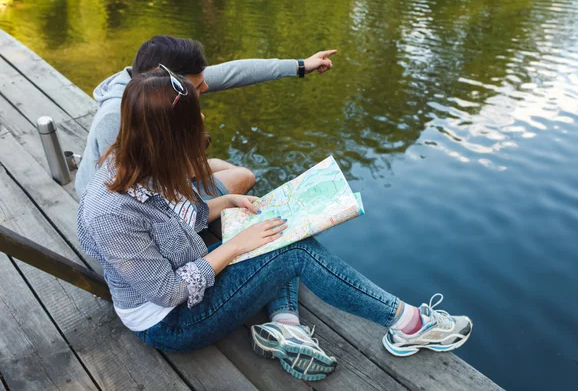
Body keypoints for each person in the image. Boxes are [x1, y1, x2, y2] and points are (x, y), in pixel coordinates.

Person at [77, 69, 473, 382]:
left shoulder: (143, 160)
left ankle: (286, 325)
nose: (202, 121)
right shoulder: (111, 211)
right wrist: (233, 247)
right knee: (295, 249)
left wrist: (229, 202)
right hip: (172, 323)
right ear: (169, 135)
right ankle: (409, 324)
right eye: (194, 120)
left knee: (283, 225)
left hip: (187, 278)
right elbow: (169, 292)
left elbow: (178, 220)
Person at [75, 35, 337, 199]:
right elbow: (122, 193)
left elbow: (233, 72)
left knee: (222, 166)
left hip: (157, 175)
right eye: (198, 87)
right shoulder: (115, 117)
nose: (207, 88)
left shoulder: (156, 87)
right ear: (169, 82)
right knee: (243, 177)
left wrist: (300, 65)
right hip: (134, 214)